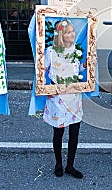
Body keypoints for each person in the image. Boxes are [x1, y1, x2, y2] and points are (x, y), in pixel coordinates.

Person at [43, 19, 86, 179]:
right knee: (58, 132)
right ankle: (58, 163)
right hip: (58, 98)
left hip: (74, 97)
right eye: (68, 32)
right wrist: (46, 88)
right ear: (61, 34)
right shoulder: (51, 52)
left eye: (73, 31)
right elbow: (42, 71)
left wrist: (86, 65)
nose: (72, 34)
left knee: (74, 132)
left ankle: (70, 165)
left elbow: (77, 69)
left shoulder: (77, 50)